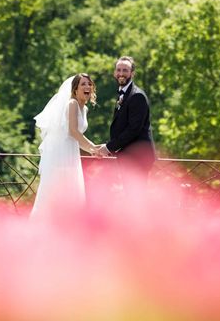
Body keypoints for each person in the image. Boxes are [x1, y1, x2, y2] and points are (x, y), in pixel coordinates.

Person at [30, 73, 100, 218]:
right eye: (83, 84)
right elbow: (73, 131)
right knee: (59, 191)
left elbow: (76, 137)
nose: (87, 86)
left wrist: (94, 150)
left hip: (71, 151)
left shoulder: (84, 108)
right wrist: (93, 147)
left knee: (72, 190)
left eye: (89, 84)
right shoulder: (72, 104)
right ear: (75, 89)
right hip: (61, 154)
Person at [99, 56, 156, 191]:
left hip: (138, 157)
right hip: (129, 156)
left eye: (125, 70)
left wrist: (108, 147)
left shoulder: (137, 96)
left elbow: (133, 130)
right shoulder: (123, 94)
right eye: (118, 70)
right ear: (114, 73)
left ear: (132, 73)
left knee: (136, 198)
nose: (121, 73)